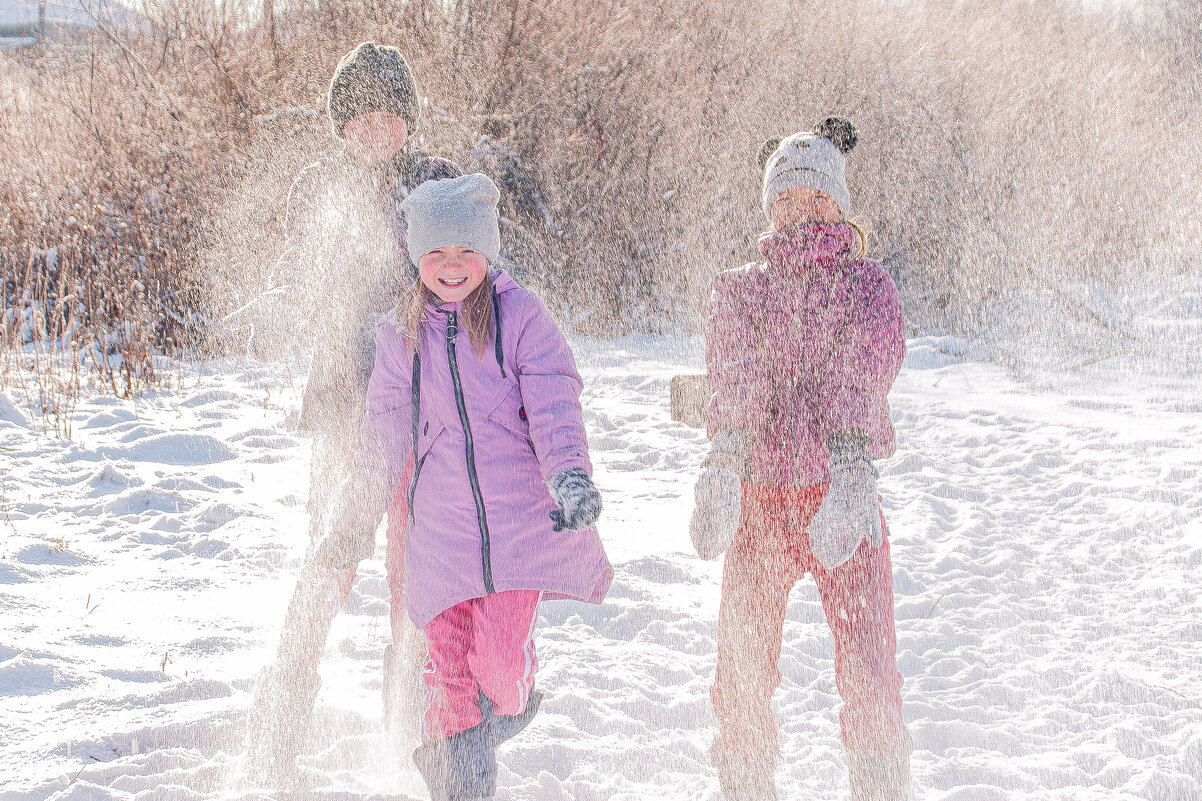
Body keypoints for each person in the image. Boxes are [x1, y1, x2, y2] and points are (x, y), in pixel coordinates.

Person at [316, 173, 613, 801]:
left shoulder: (521, 317)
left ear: (488, 250)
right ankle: (460, 783)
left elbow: (555, 399)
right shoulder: (402, 335)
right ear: (416, 257)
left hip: (516, 532)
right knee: (449, 689)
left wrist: (568, 473)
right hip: (440, 541)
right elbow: (384, 435)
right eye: (435, 253)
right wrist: (354, 518)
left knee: (499, 676)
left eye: (465, 252)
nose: (451, 266)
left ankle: (508, 705)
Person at [240, 41, 461, 785]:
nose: (375, 130)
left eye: (389, 116)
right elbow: (304, 266)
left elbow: (463, 265)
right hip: (342, 413)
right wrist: (282, 300)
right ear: (340, 127)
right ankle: (277, 729)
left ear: (408, 122)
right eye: (360, 117)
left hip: (419, 417)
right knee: (329, 560)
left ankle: (405, 744)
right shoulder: (321, 188)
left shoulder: (431, 186)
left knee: (415, 581)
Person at [689, 117, 912, 801]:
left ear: (838, 204)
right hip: (758, 506)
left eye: (814, 197)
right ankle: (747, 788)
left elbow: (859, 369)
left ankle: (880, 789)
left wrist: (850, 465)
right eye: (784, 198)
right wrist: (723, 461)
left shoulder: (867, 287)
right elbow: (736, 371)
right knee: (742, 667)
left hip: (841, 498)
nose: (798, 210)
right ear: (768, 207)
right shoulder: (741, 289)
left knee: (869, 667)